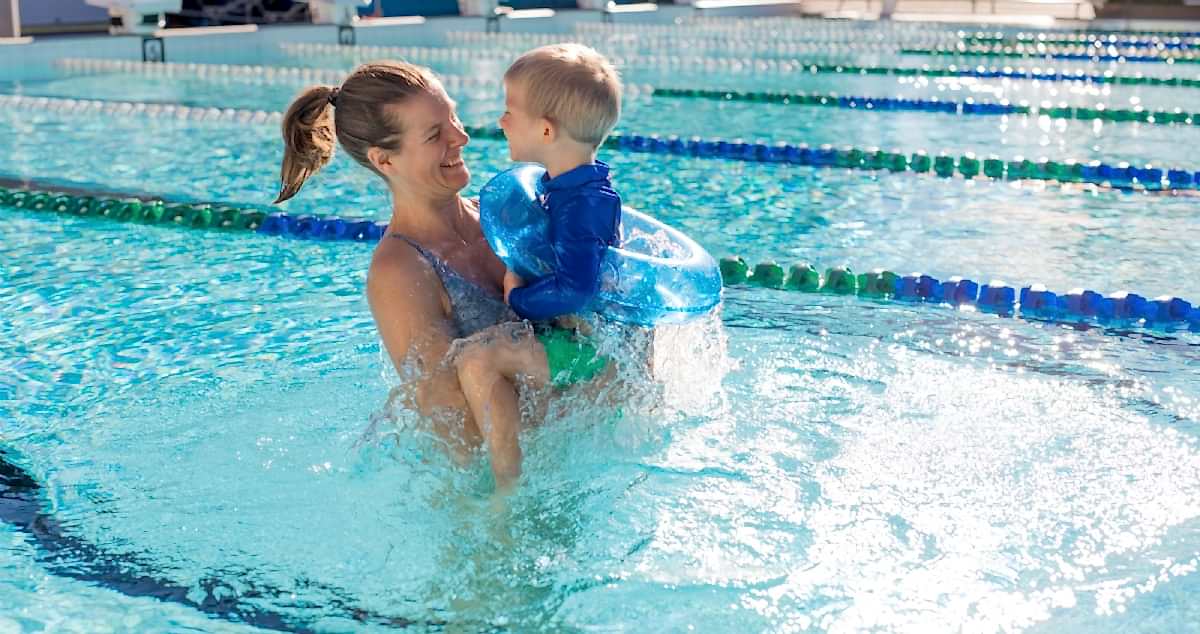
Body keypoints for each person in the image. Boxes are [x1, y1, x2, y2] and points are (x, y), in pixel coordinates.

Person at [274, 61, 525, 482]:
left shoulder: (501, 216)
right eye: (434, 134)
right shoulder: (401, 270)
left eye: (454, 117)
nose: (461, 137)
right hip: (480, 500)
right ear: (384, 160)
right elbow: (456, 431)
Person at [447, 44, 623, 491]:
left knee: (475, 361)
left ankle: (508, 483)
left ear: (545, 130)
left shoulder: (580, 206)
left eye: (510, 111)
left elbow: (578, 291)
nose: (501, 121)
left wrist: (518, 297)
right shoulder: (571, 188)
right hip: (581, 340)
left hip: (590, 351)